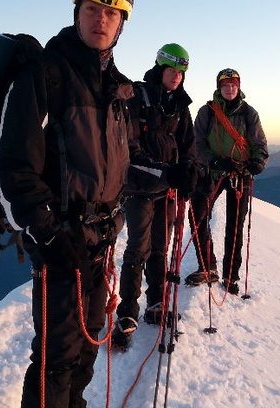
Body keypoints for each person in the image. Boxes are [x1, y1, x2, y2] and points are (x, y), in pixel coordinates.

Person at [0, 0, 135, 408]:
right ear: (77, 13)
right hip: (60, 243)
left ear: (122, 24)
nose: (101, 20)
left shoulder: (116, 87)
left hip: (98, 241)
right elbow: (14, 166)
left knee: (89, 345)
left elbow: (113, 164)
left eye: (111, 14)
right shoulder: (46, 75)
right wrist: (50, 235)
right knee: (56, 355)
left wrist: (117, 217)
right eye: (93, 10)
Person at [111, 43, 197, 350]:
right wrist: (167, 172)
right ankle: (127, 313)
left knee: (161, 248)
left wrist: (187, 173)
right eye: (172, 70)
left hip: (166, 191)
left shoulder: (180, 106)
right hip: (138, 189)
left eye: (182, 72)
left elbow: (188, 147)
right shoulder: (137, 99)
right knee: (138, 250)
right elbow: (129, 152)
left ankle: (155, 304)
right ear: (160, 69)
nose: (177, 77)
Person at [185, 68, 268, 295]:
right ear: (219, 88)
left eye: (233, 85)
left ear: (238, 87)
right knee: (198, 215)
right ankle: (208, 266)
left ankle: (231, 275)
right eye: (225, 85)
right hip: (212, 172)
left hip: (240, 174)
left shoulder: (249, 113)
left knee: (235, 226)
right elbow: (197, 143)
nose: (230, 89)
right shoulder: (208, 112)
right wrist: (215, 162)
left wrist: (257, 163)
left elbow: (259, 143)